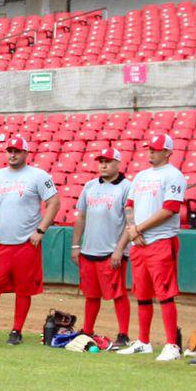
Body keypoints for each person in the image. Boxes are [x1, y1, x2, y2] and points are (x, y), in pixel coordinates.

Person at [0, 135, 59, 345]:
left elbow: (54, 202)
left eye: (17, 151)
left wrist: (41, 230)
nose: (12, 154)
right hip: (0, 243)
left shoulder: (38, 176)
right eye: (9, 151)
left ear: (26, 154)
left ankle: (16, 331)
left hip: (26, 244)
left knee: (23, 289)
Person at [118, 133, 187, 360]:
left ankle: (171, 345)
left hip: (160, 240)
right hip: (139, 242)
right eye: (150, 148)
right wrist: (132, 228)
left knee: (165, 294)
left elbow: (170, 209)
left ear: (168, 152)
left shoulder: (174, 175)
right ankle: (144, 341)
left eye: (156, 149)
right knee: (143, 294)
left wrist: (139, 229)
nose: (151, 152)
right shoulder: (141, 176)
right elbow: (129, 206)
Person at [70, 147, 133, 348]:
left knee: (118, 294)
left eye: (108, 161)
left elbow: (129, 223)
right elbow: (81, 217)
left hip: (111, 251)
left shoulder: (126, 187)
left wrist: (119, 249)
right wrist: (76, 245)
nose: (103, 165)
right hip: (89, 250)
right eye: (101, 161)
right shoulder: (89, 186)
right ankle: (87, 330)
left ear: (118, 164)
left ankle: (123, 333)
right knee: (91, 294)